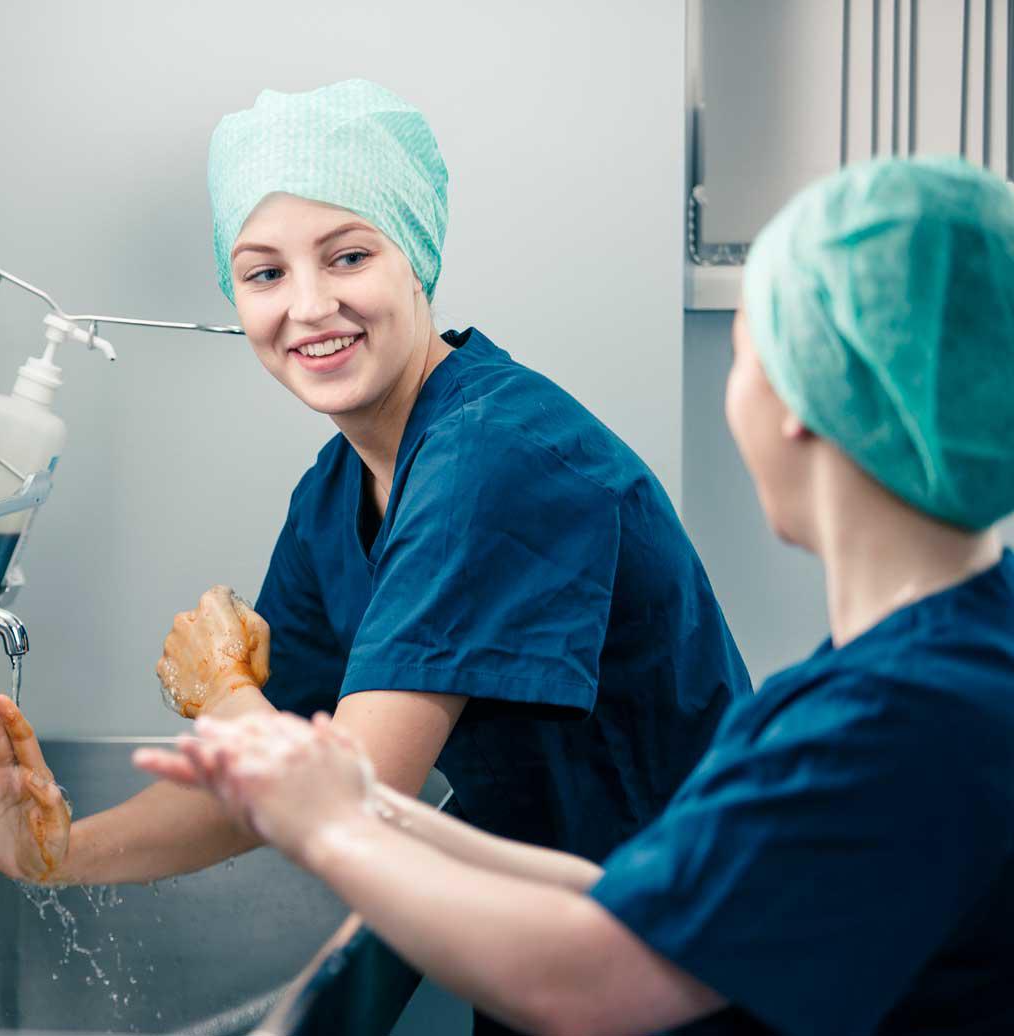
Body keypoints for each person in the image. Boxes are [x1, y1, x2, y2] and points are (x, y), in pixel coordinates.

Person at [0, 79, 749, 1033]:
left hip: (682, 973)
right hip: (566, 956)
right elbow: (272, 786)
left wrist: (222, 693)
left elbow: (349, 795)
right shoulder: (339, 490)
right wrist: (54, 850)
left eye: (348, 256)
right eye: (264, 273)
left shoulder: (494, 459)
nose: (309, 306)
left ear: (418, 261)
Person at [140, 156, 1014, 1036]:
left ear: (799, 401)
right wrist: (347, 803)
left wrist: (333, 824)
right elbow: (633, 897)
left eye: (747, 355)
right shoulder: (929, 668)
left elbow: (599, 976)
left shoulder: (894, 721)